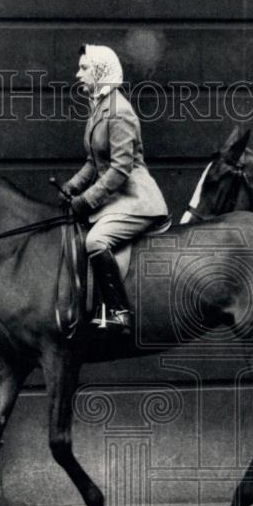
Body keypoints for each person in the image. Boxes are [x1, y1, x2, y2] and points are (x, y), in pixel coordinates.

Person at [64, 44, 170, 335]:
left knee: (96, 240)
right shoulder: (99, 106)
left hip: (136, 200)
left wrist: (87, 199)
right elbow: (94, 161)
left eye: (84, 68)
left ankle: (119, 313)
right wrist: (72, 187)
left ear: (101, 71)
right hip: (116, 198)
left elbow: (120, 169)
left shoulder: (119, 111)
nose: (78, 74)